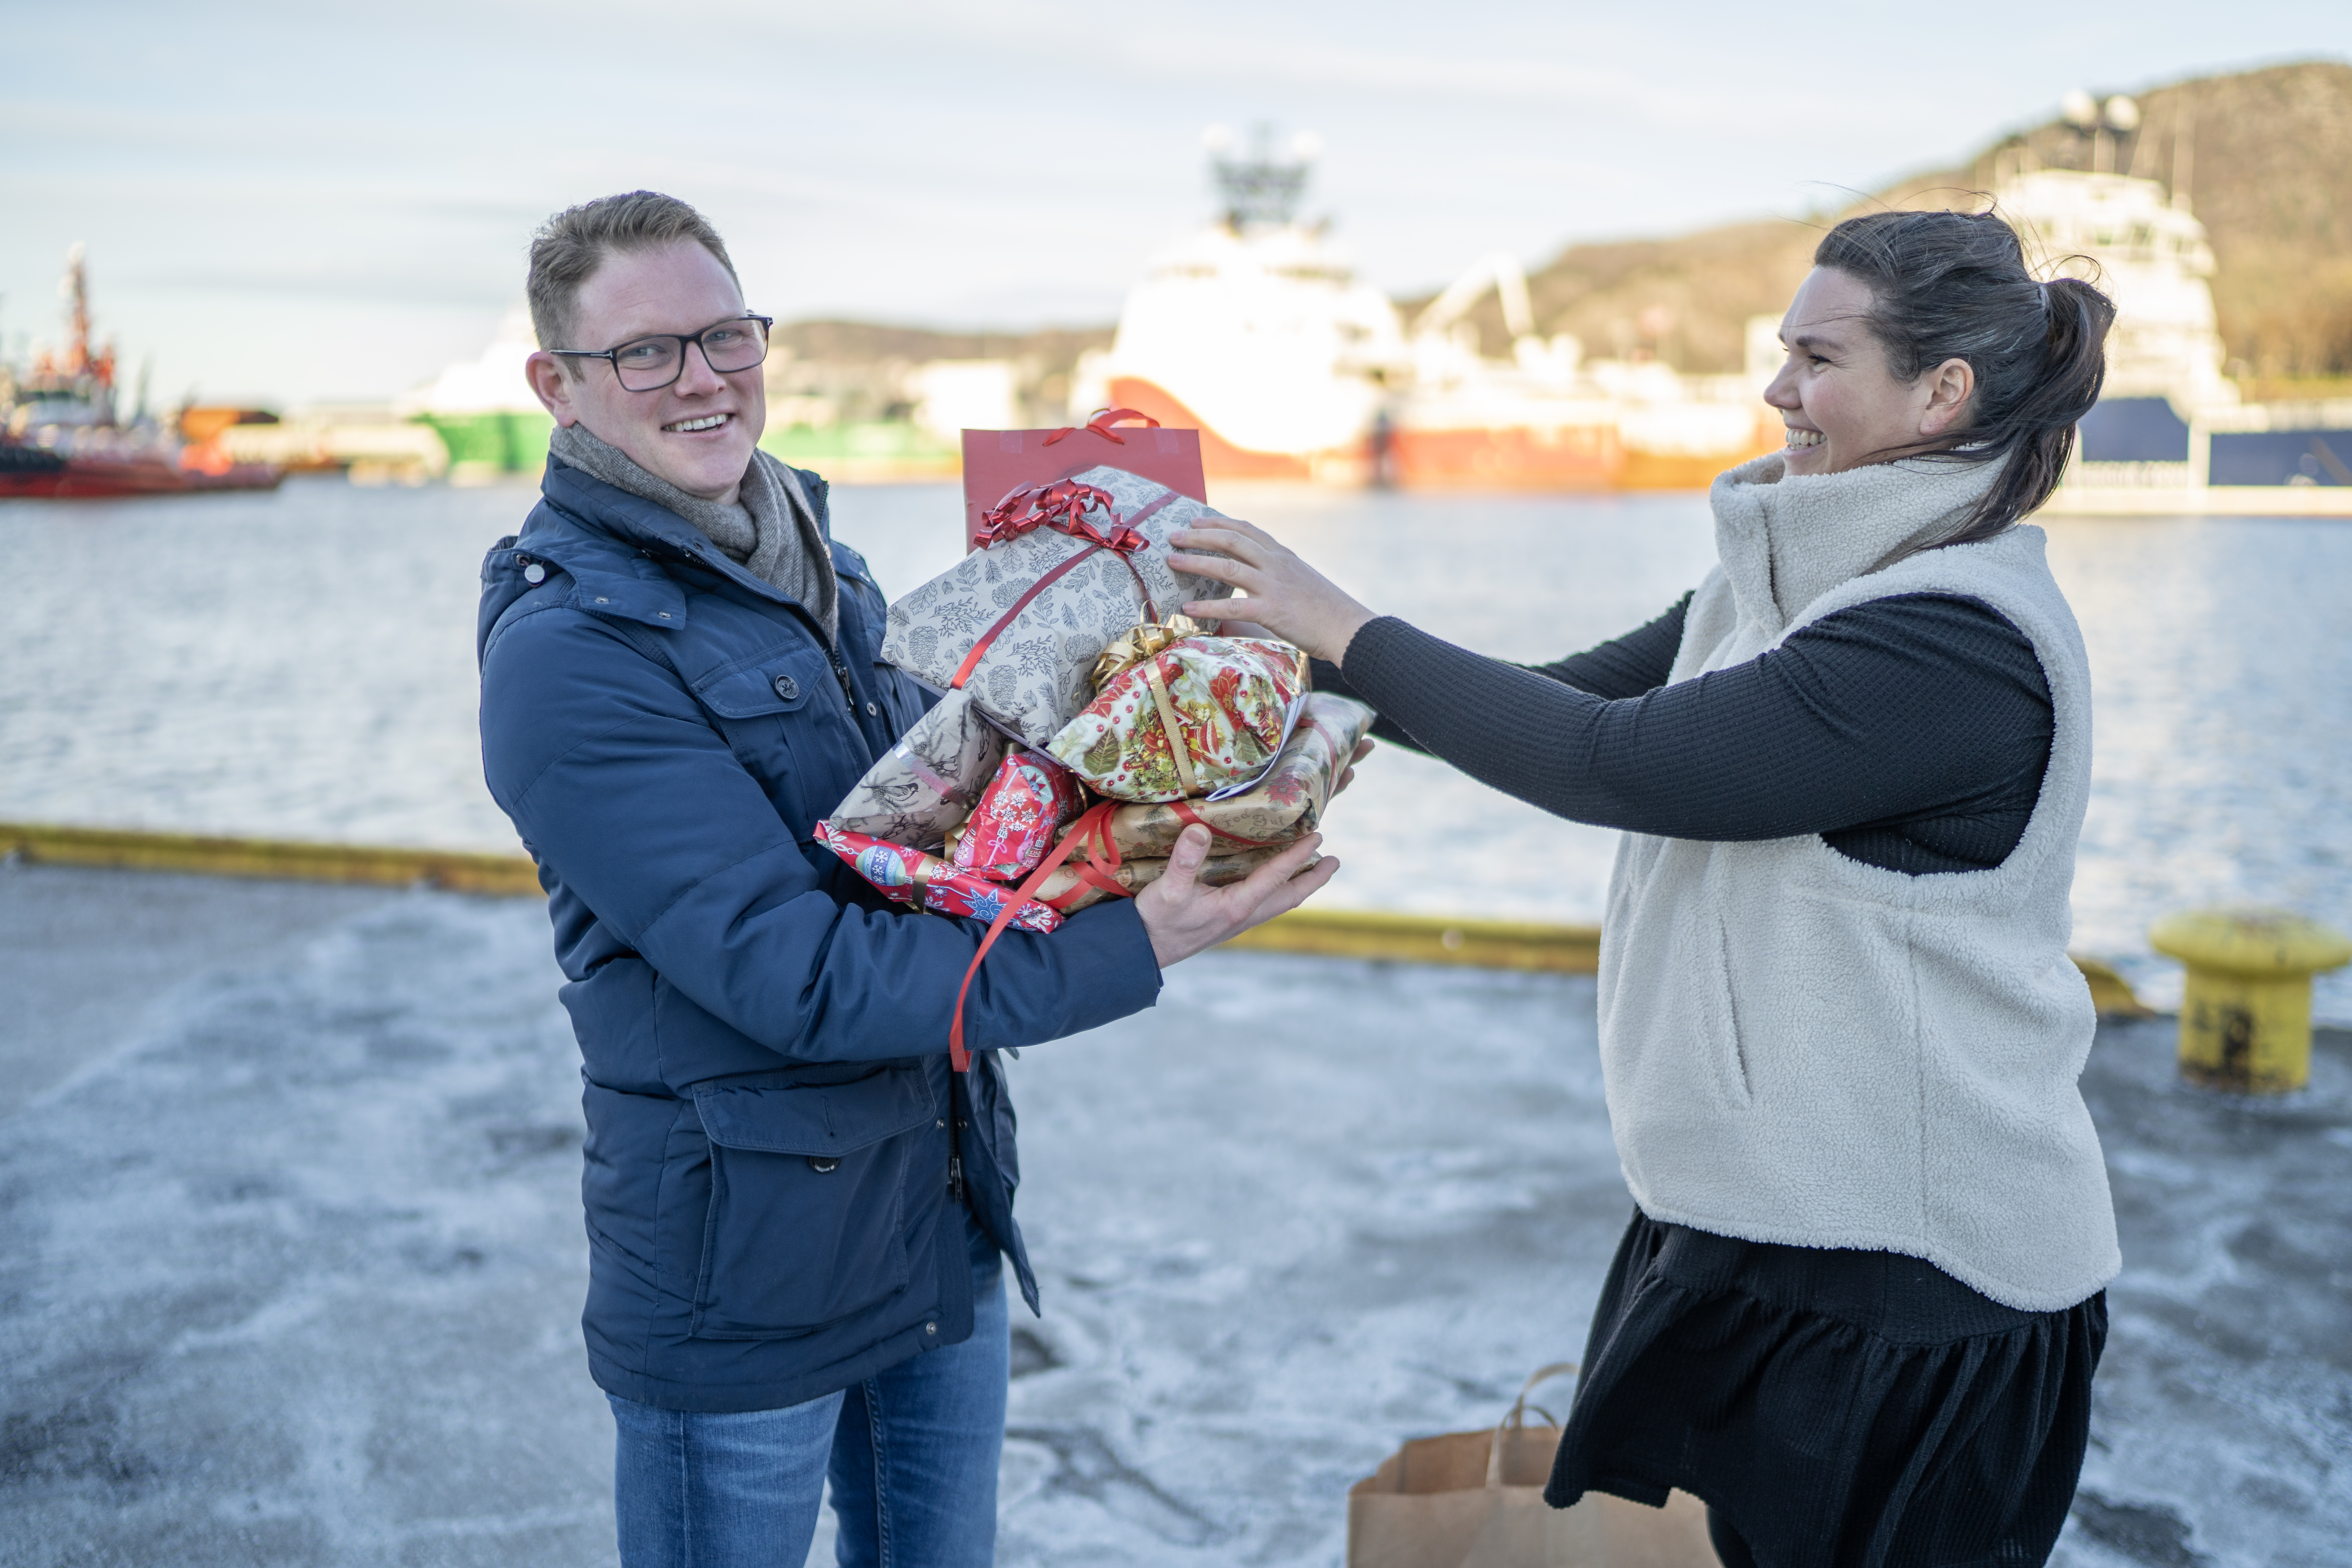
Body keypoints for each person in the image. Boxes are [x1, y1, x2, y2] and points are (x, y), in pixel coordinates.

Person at [1172, 209, 2119, 1568]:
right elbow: (1550, 703)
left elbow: (1613, 765)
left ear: (1942, 394)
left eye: (1818, 359)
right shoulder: (1778, 583)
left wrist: (1343, 619)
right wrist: (1278, 653)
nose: (1778, 391)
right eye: (1782, 352)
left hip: (1925, 1277)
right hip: (1761, 1222)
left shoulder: (1954, 641)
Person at [475, 190, 1337, 1568]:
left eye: (725, 335)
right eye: (647, 353)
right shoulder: (568, 653)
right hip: (742, 1267)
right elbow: (794, 976)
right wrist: (1136, 948)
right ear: (557, 386)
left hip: (936, 1214)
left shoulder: (822, 560)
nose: (702, 378)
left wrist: (1152, 742)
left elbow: (934, 844)